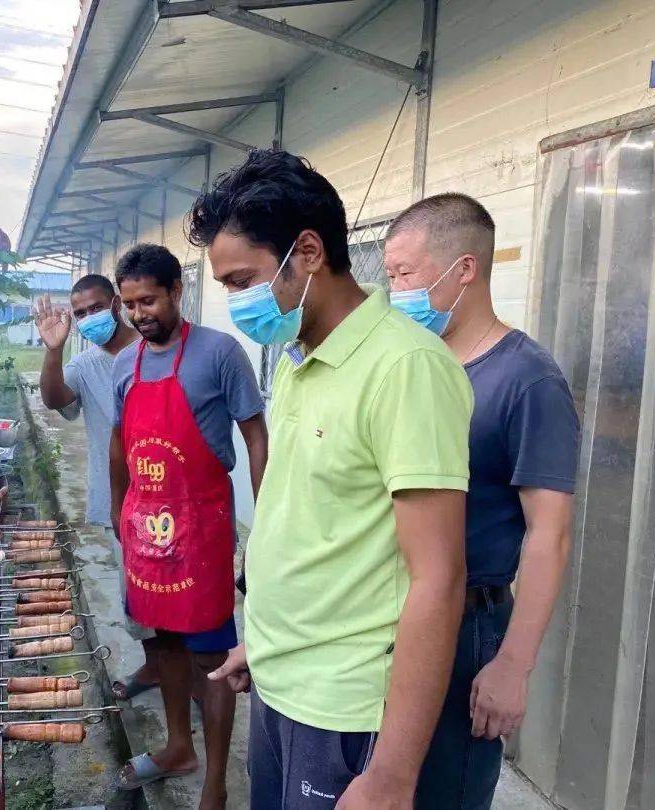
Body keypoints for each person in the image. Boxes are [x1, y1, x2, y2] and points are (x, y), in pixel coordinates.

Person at [198, 149, 472, 810]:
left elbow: (439, 577)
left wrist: (393, 773)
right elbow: (311, 522)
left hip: (345, 709)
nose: (238, 303)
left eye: (243, 281)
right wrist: (262, 644)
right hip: (280, 679)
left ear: (309, 251)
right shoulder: (298, 357)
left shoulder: (405, 366)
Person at [384, 193, 579, 810]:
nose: (394, 291)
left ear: (464, 269)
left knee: (447, 790)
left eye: (404, 275)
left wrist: (512, 663)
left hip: (469, 622)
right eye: (388, 276)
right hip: (394, 612)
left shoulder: (527, 380)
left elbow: (549, 533)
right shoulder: (414, 365)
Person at [108, 243, 268, 809]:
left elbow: (254, 435)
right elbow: (117, 440)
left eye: (148, 300)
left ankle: (217, 781)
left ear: (178, 291)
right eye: (129, 304)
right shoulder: (124, 363)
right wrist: (116, 510)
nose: (138, 313)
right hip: (148, 528)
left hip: (201, 527)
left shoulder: (220, 353)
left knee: (213, 656)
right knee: (167, 645)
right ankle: (180, 746)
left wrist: (267, 518)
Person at [32, 276, 162, 694]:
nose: (89, 318)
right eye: (81, 312)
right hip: (119, 499)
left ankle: (189, 671)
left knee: (176, 588)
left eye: (96, 308)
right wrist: (54, 351)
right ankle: (156, 666)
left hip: (168, 495)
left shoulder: (152, 349)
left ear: (116, 304)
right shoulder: (86, 365)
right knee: (136, 592)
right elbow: (55, 399)